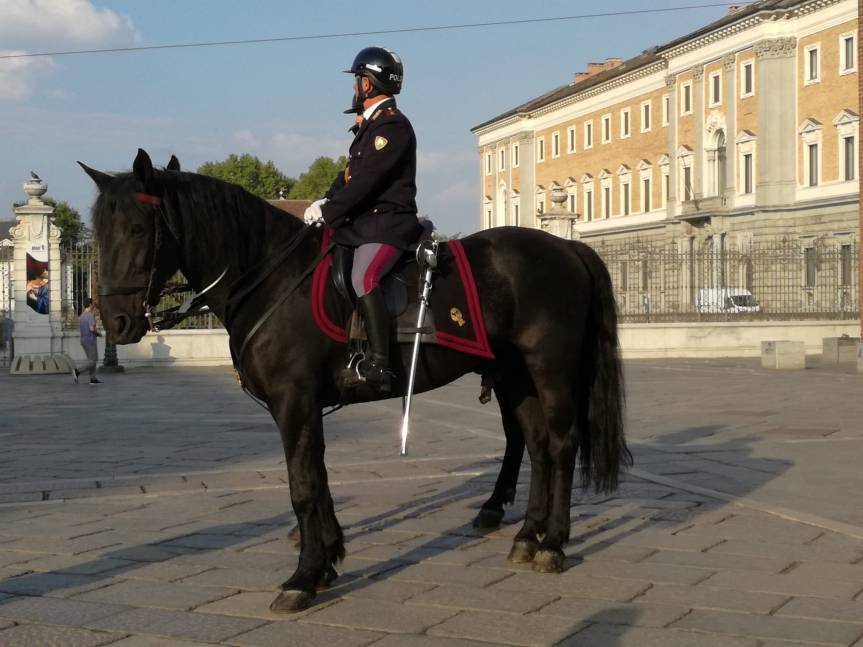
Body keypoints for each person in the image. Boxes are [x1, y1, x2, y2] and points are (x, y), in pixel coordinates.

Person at [305, 46, 422, 392]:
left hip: (388, 224)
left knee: (364, 276)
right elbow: (349, 178)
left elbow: (369, 181)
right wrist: (326, 198)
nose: (354, 87)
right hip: (363, 225)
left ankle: (381, 364)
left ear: (368, 84)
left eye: (357, 80)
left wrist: (329, 212)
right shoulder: (369, 130)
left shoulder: (392, 127)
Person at [73, 298, 102, 385]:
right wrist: (98, 334)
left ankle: (93, 378)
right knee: (93, 361)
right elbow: (92, 328)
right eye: (92, 304)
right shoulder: (90, 315)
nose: (93, 305)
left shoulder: (82, 316)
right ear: (90, 305)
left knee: (91, 360)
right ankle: (77, 371)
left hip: (83, 340)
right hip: (90, 340)